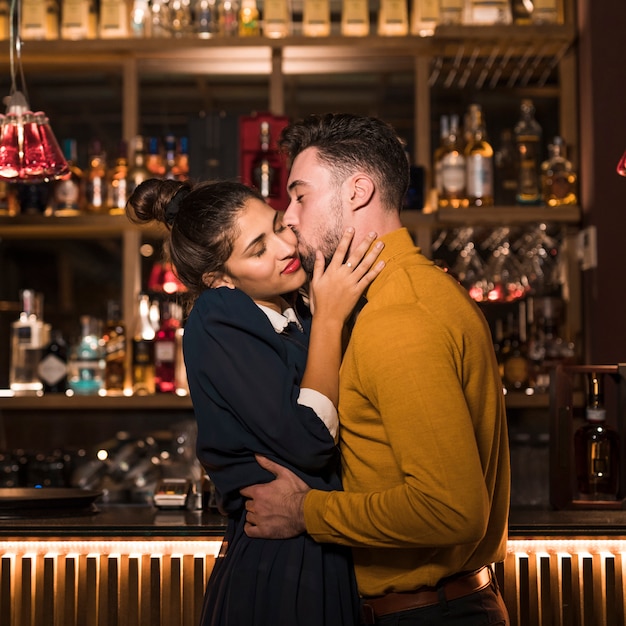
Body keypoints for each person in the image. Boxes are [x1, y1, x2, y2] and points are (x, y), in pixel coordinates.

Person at [241, 113, 511, 626]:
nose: (289, 215)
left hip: (431, 615)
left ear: (357, 191)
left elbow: (450, 510)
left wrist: (304, 512)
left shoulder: (399, 317)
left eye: (300, 195)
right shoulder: (407, 292)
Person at [126, 177, 384, 626]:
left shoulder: (293, 313)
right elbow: (310, 440)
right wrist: (329, 318)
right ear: (220, 279)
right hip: (282, 565)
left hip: (322, 550)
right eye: (257, 249)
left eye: (281, 228)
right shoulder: (218, 313)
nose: (285, 248)